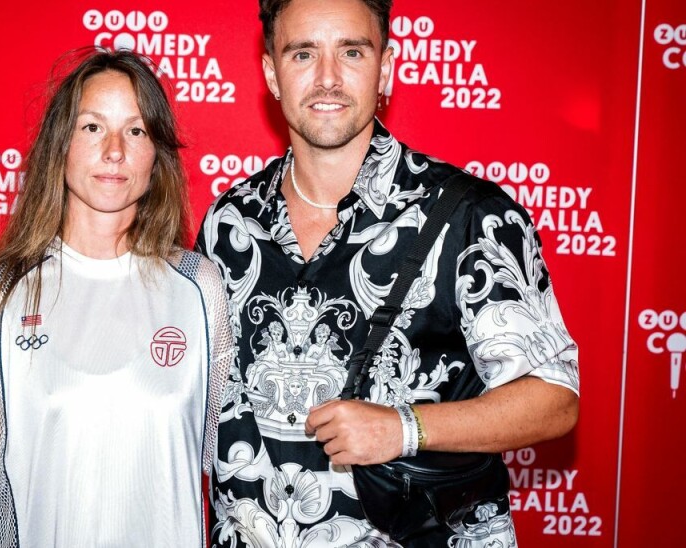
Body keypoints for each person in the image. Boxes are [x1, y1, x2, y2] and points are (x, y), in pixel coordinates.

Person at [197, 0, 580, 546]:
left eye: (352, 51)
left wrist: (404, 428)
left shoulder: (469, 215)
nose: (327, 78)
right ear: (270, 74)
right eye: (303, 53)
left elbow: (553, 397)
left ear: (388, 68)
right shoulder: (227, 222)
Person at [0, 49, 233, 548]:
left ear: (158, 153)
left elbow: (230, 479)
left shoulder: (201, 289)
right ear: (59, 144)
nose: (114, 150)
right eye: (92, 127)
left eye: (135, 130)